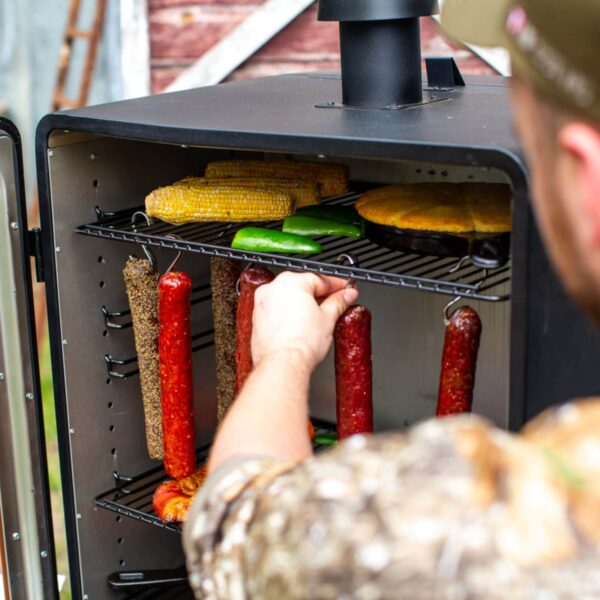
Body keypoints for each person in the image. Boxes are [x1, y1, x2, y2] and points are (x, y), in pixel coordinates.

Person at [184, 0, 600, 597]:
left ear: (588, 181)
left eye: (532, 153)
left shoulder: (517, 515)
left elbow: (227, 529)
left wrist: (284, 355)